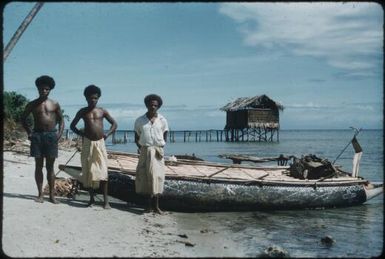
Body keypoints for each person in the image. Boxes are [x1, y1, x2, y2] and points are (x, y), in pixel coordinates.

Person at [70, 85, 117, 209]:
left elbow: (114, 123)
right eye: (90, 98)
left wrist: (107, 134)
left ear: (98, 98)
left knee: (104, 172)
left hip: (100, 143)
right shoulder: (82, 111)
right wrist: (81, 134)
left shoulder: (102, 111)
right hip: (88, 143)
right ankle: (91, 200)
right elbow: (72, 126)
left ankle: (106, 201)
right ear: (86, 98)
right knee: (89, 171)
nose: (93, 100)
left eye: (95, 98)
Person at [21, 75, 64, 204]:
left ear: (50, 89)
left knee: (50, 167)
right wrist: (29, 132)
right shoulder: (32, 104)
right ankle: (40, 195)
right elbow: (23, 118)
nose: (43, 91)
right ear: (38, 89)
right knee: (38, 166)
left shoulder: (55, 104)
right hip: (37, 136)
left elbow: (61, 120)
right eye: (41, 89)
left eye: (46, 89)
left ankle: (51, 196)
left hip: (51, 136)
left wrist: (59, 135)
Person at [134, 94, 169, 214]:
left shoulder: (163, 120)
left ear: (158, 107)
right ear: (147, 105)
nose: (153, 107)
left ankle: (157, 206)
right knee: (146, 177)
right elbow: (137, 137)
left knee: (158, 178)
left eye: (155, 105)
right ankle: (148, 206)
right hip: (145, 150)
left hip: (158, 152)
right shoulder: (140, 121)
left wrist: (158, 148)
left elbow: (165, 137)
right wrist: (143, 149)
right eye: (151, 105)